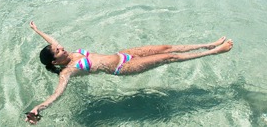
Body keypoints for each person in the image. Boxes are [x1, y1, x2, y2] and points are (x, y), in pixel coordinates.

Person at [24, 21, 233, 124]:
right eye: (59, 50)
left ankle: (208, 45)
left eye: (60, 46)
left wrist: (37, 30)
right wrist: (38, 108)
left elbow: (52, 41)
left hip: (123, 54)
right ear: (55, 60)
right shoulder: (66, 72)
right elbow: (56, 95)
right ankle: (215, 52)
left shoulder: (68, 54)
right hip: (122, 67)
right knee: (170, 58)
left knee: (166, 48)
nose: (62, 47)